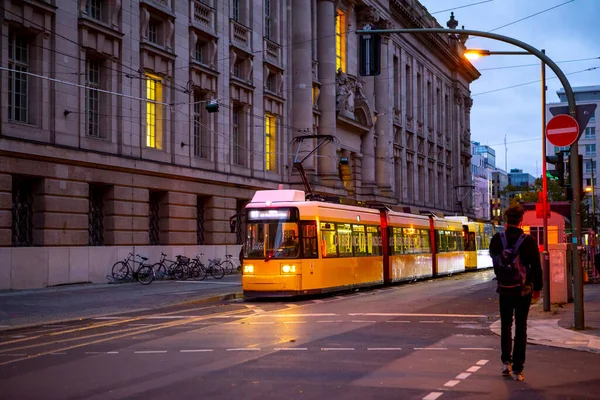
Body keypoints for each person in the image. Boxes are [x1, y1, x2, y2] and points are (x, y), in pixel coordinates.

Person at [489, 203, 542, 382]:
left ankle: (506, 362)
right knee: (521, 327)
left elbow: (494, 260)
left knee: (505, 325)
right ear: (521, 221)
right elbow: (536, 266)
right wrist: (537, 288)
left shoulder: (497, 239)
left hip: (504, 288)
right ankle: (518, 369)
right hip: (523, 290)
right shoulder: (528, 240)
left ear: (506, 220)